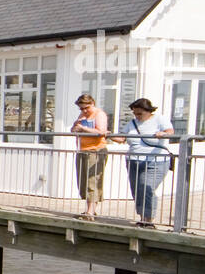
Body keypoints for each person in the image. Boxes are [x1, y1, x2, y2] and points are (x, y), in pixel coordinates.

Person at [112, 98, 175, 228]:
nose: (137, 116)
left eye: (140, 113)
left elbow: (170, 132)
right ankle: (143, 218)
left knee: (147, 187)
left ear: (148, 111)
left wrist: (162, 133)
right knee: (137, 190)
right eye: (135, 113)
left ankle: (149, 220)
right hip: (134, 160)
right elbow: (122, 138)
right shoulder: (132, 123)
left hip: (155, 161)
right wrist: (106, 135)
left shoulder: (159, 119)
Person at [70, 93, 108, 221]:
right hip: (83, 150)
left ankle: (90, 212)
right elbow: (74, 130)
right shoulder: (82, 115)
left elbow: (101, 131)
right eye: (81, 108)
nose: (84, 111)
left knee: (93, 181)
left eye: (86, 108)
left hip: (96, 150)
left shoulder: (99, 114)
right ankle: (88, 210)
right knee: (83, 181)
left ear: (92, 103)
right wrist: (75, 127)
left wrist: (83, 128)